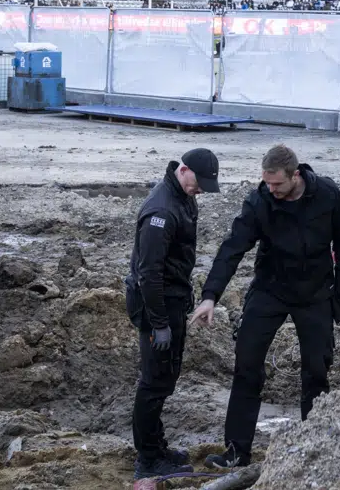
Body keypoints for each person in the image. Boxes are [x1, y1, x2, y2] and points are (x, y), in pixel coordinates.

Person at [196, 145, 340, 469]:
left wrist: (338, 299)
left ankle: (314, 450)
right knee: (247, 365)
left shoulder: (327, 194)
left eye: (277, 184)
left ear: (295, 175)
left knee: (316, 371)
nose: (272, 190)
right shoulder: (260, 202)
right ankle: (237, 451)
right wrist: (210, 294)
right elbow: (232, 248)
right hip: (270, 289)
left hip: (315, 293)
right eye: (267, 183)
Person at [124, 148, 221, 480]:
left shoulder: (181, 196)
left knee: (164, 379)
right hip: (157, 304)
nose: (201, 190)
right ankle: (148, 460)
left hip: (172, 298)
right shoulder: (161, 211)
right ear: (184, 170)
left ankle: (156, 446)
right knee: (153, 383)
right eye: (199, 183)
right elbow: (148, 272)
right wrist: (160, 324)